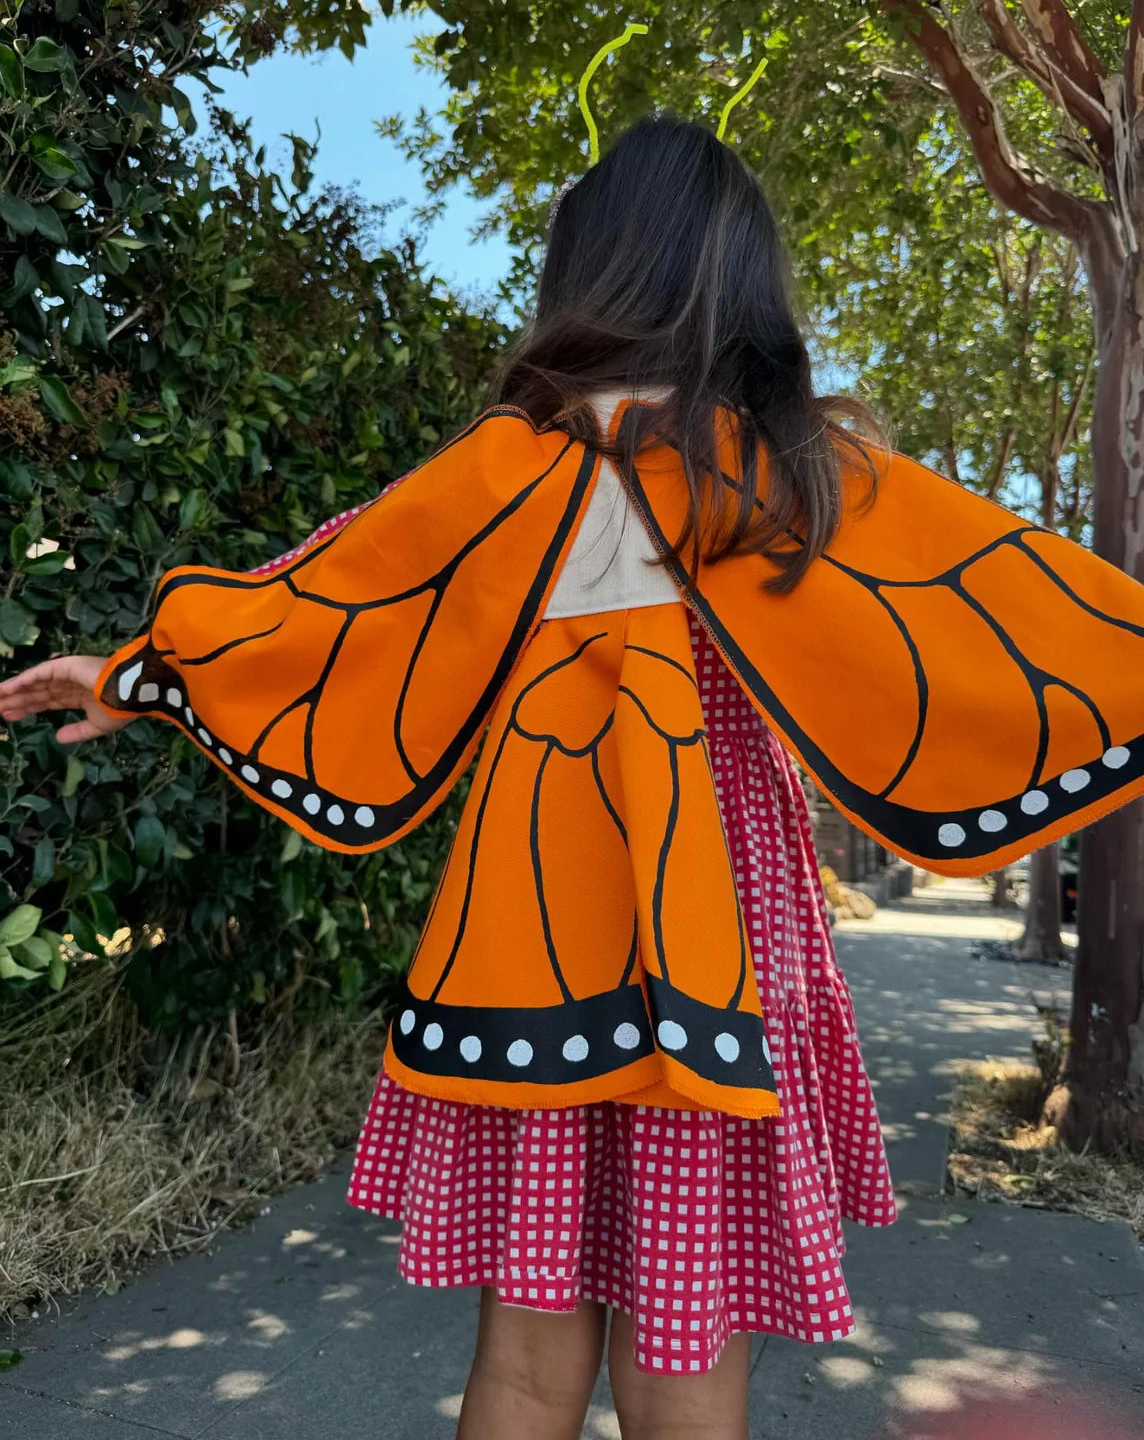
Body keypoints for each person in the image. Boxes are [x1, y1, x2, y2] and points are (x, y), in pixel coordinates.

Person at [4, 113, 1144, 1440]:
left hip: (530, 955)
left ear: (583, 278)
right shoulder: (805, 482)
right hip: (720, 960)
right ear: (749, 288)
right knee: (686, 1346)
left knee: (527, 1363)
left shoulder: (504, 471)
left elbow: (325, 598)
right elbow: (1016, 609)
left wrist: (140, 670)